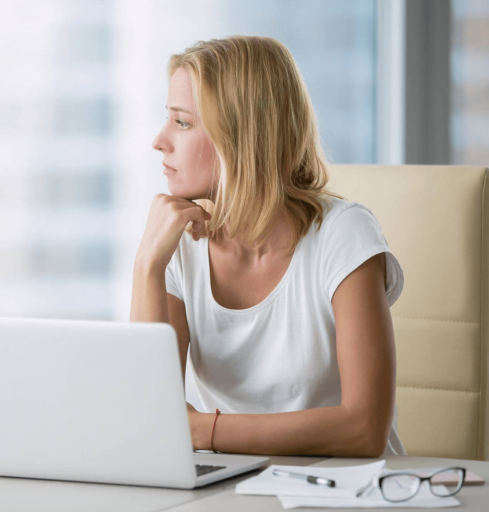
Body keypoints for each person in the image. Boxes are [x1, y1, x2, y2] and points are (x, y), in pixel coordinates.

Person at [130, 36, 406, 457]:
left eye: (182, 123)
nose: (159, 140)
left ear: (240, 136)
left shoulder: (342, 235)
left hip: (345, 490)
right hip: (229, 490)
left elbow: (364, 429)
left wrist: (202, 431)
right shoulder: (176, 244)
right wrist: (147, 265)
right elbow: (148, 422)